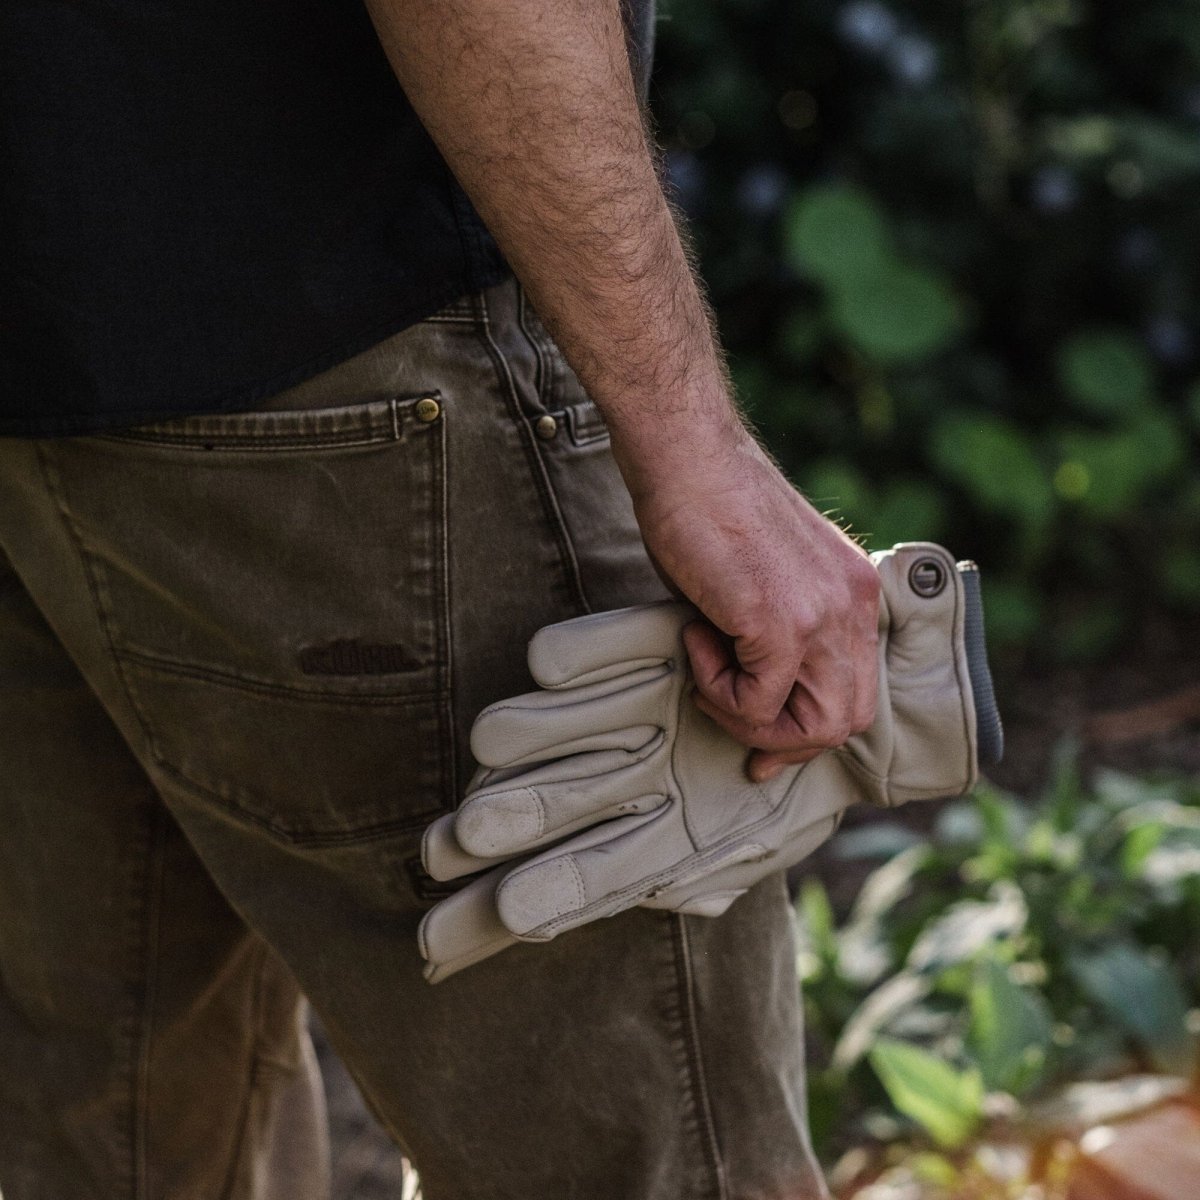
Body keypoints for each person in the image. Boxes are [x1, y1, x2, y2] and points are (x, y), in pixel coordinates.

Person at [0, 1, 879, 1197]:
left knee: (105, 1130)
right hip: (346, 360)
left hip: (51, 349)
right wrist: (691, 449)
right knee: (644, 1163)